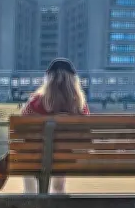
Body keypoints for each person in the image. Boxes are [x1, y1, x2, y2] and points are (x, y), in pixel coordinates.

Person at [19, 58, 89, 194]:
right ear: (74, 80)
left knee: (27, 156)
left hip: (35, 156)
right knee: (61, 159)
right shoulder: (79, 105)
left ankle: (30, 196)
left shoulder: (35, 103)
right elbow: (85, 135)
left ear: (48, 79)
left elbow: (22, 130)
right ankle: (58, 192)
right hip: (66, 157)